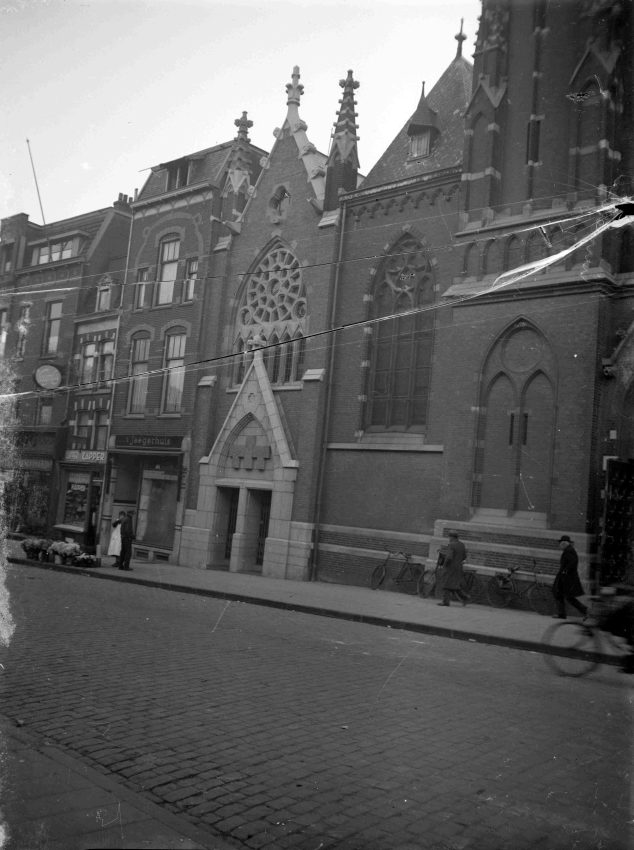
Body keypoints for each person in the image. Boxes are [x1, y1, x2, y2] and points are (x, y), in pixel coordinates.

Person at [552, 535, 588, 620]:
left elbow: (573, 562)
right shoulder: (568, 550)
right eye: (561, 543)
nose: (561, 545)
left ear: (566, 543)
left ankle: (585, 611)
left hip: (568, 578)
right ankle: (562, 614)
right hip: (565, 578)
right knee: (559, 594)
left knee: (568, 597)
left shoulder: (569, 551)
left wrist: (565, 571)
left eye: (563, 543)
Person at [438, 531, 469, 607]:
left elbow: (449, 557)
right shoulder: (462, 545)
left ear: (452, 537)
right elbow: (464, 556)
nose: (449, 539)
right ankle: (465, 598)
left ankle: (446, 602)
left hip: (450, 568)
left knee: (446, 583)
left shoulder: (451, 545)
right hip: (459, 568)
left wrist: (444, 565)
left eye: (449, 537)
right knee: (454, 585)